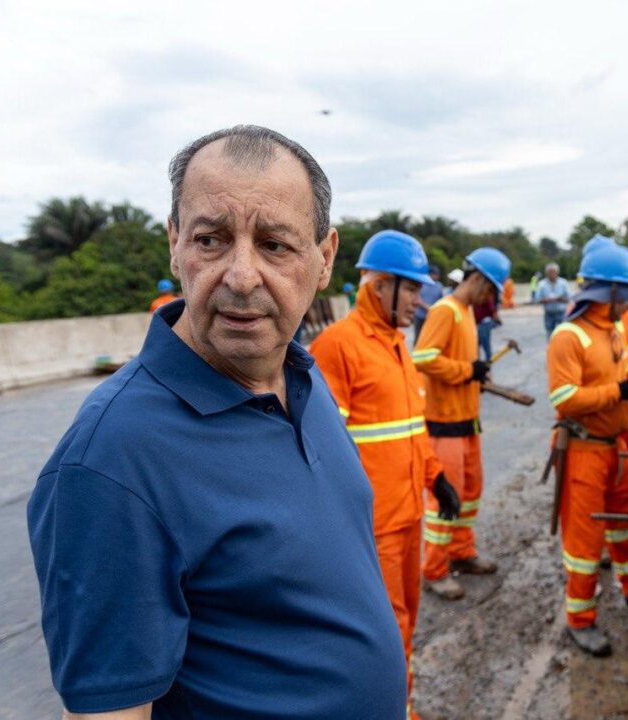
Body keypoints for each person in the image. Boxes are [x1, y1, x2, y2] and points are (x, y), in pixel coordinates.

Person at [26, 125, 406, 719]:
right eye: (211, 240)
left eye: (275, 245)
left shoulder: (305, 380)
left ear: (324, 258)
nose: (241, 275)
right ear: (175, 243)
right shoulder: (111, 460)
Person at [310, 230, 461, 720]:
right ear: (379, 287)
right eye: (411, 289)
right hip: (373, 529)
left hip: (409, 515)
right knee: (387, 635)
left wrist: (436, 478)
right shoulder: (339, 346)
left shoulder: (396, 345)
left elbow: (411, 429)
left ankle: (402, 707)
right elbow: (321, 451)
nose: (419, 300)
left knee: (406, 624)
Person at [547, 243, 628, 656]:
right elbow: (564, 398)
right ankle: (580, 619)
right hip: (582, 451)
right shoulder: (570, 336)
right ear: (610, 291)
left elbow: (627, 367)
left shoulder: (611, 330)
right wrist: (620, 391)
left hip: (612, 448)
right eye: (627, 293)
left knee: (625, 521)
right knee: (585, 542)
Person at [411, 247, 511, 600]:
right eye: (491, 291)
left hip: (467, 421)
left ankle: (462, 552)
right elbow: (423, 358)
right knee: (446, 500)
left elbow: (455, 363)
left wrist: (476, 374)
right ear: (479, 280)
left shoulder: (466, 313)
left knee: (469, 494)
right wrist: (467, 370)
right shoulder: (446, 310)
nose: (490, 299)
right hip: (444, 425)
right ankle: (435, 571)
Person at [534, 262, 571, 338]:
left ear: (557, 272)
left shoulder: (563, 283)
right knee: (550, 334)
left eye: (554, 272)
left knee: (563, 334)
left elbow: (569, 298)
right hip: (549, 313)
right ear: (547, 273)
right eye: (550, 272)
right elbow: (537, 299)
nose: (552, 274)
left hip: (561, 312)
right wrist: (546, 300)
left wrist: (560, 299)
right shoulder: (542, 284)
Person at [413, 264, 445, 343]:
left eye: (438, 274)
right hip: (419, 315)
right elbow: (417, 298)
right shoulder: (422, 284)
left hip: (431, 316)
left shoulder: (439, 286)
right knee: (418, 337)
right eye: (435, 274)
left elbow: (441, 300)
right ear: (430, 274)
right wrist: (427, 307)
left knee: (428, 338)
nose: (437, 276)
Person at [473, 291, 500, 362]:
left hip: (484, 323)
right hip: (478, 323)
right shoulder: (475, 295)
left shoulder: (486, 295)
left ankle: (488, 362)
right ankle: (477, 362)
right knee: (476, 345)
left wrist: (496, 319)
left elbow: (492, 310)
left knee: (485, 344)